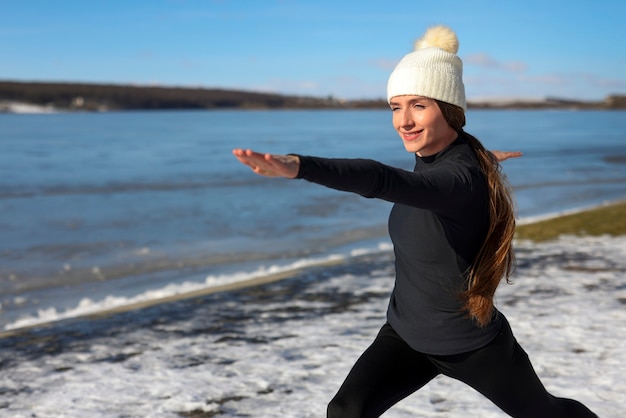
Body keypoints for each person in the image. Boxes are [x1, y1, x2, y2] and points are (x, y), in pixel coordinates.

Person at [233, 25, 597, 418]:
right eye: (395, 107)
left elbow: (382, 178)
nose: (403, 121)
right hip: (406, 333)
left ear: (450, 110)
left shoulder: (459, 179)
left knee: (547, 414)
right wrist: (485, 156)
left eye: (419, 105)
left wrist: (299, 166)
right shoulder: (446, 158)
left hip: (471, 344)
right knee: (345, 411)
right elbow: (448, 167)